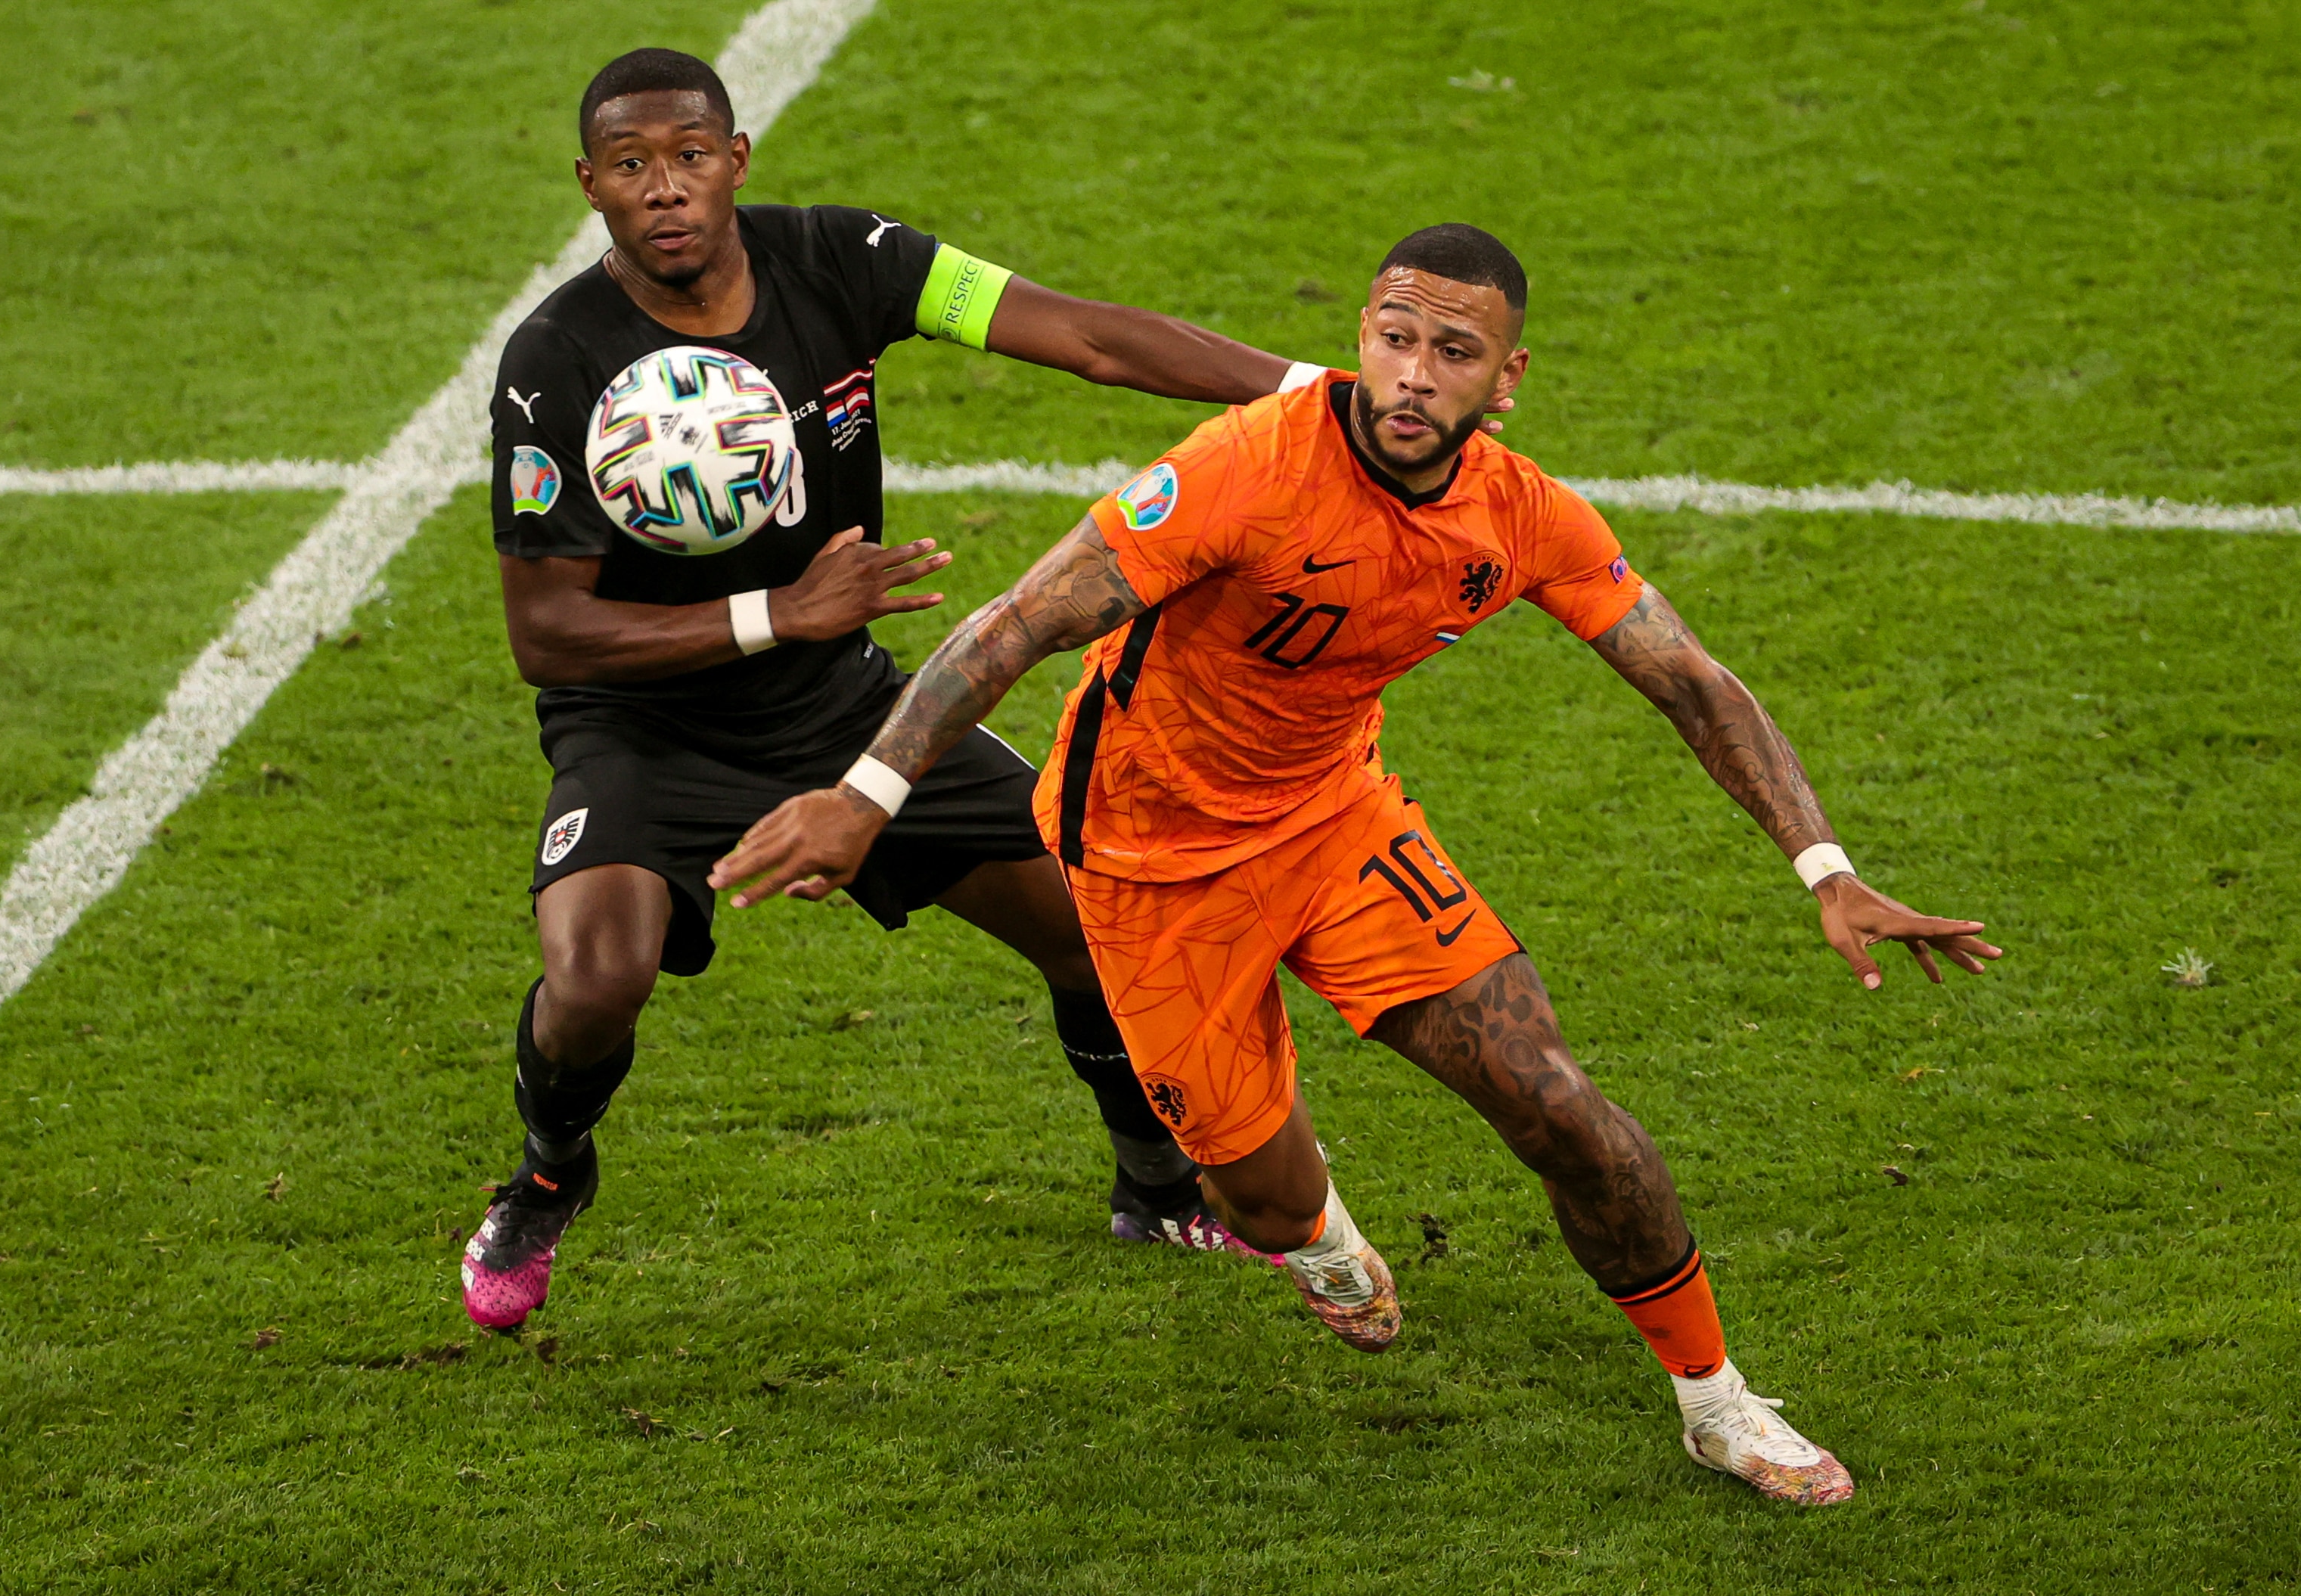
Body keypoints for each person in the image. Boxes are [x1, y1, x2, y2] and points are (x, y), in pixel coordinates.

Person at [706, 223, 2004, 1505]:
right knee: (1261, 1200)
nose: (1412, 374)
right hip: (1150, 862)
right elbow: (1016, 626)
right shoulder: (1243, 468)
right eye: (1393, 338)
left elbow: (1690, 680)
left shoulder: (1520, 514)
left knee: (1560, 1105)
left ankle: (1719, 1403)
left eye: (1453, 350)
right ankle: (1321, 1241)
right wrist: (864, 797)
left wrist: (1824, 865)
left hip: (1334, 824)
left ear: (1505, 380)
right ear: (1361, 340)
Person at [465, 47, 1328, 1331]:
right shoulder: (554, 362)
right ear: (590, 185)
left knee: (1095, 924)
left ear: (736, 160)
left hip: (845, 706)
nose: (667, 189)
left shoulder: (844, 257)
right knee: (595, 979)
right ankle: (547, 1177)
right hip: (644, 733)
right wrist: (779, 610)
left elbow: (1085, 335)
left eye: (692, 157)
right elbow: (549, 634)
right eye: (633, 166)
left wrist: (1319, 395)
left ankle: (1152, 1177)